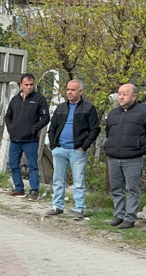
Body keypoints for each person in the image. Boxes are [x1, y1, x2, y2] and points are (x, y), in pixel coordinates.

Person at [103, 83, 146, 229]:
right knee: (117, 189)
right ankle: (119, 215)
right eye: (119, 94)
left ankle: (130, 218)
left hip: (133, 158)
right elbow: (108, 132)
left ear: (134, 96)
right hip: (114, 158)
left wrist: (141, 146)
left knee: (133, 189)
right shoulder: (113, 113)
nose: (121, 97)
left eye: (125, 94)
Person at [45, 79, 100, 220]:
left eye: (73, 90)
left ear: (81, 92)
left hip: (77, 151)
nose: (69, 92)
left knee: (78, 181)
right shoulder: (61, 108)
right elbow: (52, 128)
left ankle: (79, 209)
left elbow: (95, 129)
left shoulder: (88, 108)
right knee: (58, 179)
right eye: (68, 89)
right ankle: (57, 206)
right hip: (60, 149)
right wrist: (53, 146)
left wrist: (84, 146)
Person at [4, 73, 50, 201]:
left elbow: (46, 117)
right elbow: (8, 116)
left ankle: (34, 191)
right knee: (13, 164)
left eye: (31, 85)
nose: (29, 87)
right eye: (26, 85)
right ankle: (19, 189)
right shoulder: (15, 99)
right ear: (21, 85)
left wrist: (33, 129)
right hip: (15, 139)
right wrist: (11, 128)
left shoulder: (39, 99)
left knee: (32, 166)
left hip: (30, 140)